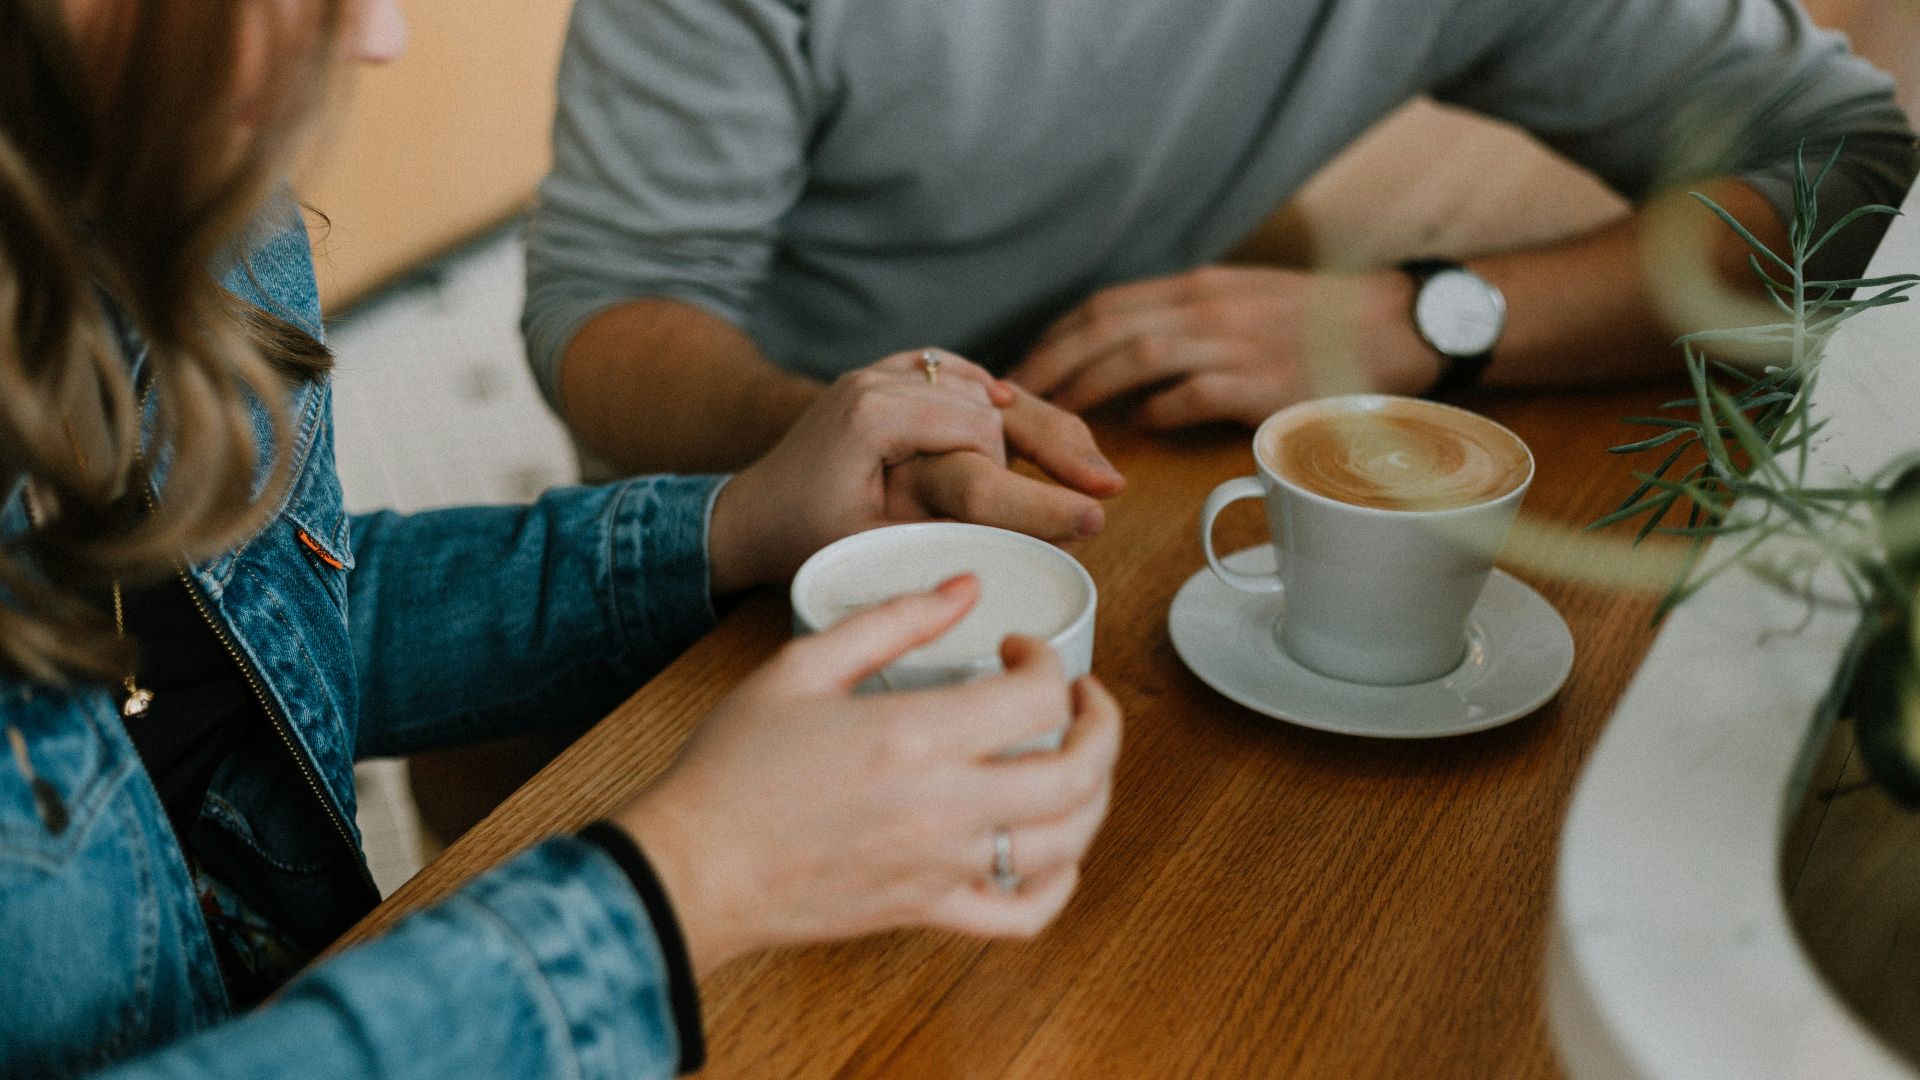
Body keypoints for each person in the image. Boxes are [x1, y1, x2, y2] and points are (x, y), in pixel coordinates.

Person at [0, 2, 1122, 1077]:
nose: (376, 35)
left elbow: (257, 633)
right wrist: (681, 891)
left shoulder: (169, 202)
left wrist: (731, 525)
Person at [523, 0, 1919, 476]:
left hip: (1140, 442)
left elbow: (1862, 178)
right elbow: (610, 309)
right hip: (747, 480)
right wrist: (851, 435)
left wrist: (1425, 319)